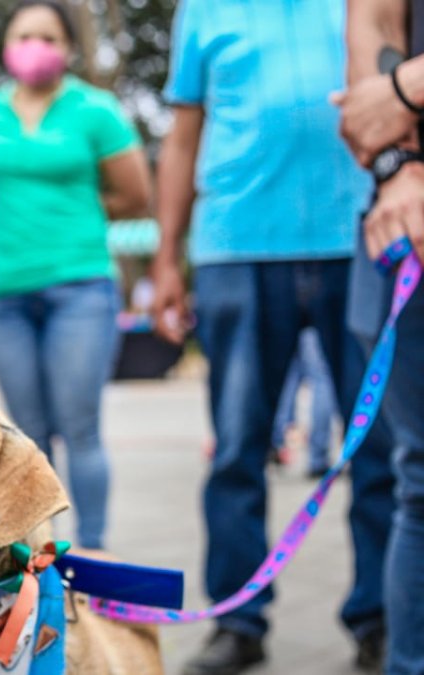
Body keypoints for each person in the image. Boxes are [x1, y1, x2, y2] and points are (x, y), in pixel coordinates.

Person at [152, 1, 396, 672]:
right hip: (238, 244)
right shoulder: (202, 11)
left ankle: (382, 616)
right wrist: (167, 256)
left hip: (362, 237)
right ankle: (238, 621)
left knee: (382, 447)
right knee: (236, 448)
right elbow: (182, 138)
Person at [0, 0, 150, 551]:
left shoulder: (96, 109)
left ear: (66, 48)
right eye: (23, 35)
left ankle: (92, 551)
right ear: (7, 45)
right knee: (26, 435)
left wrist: (72, 222)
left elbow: (136, 194)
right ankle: (39, 552)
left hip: (81, 286)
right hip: (4, 294)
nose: (34, 45)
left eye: (47, 36)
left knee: (80, 427)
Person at [337, 1, 424, 672]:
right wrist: (399, 164)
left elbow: (381, 92)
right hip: (404, 215)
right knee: (417, 479)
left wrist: (406, 87)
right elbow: (371, 29)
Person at [271, 328, 337, 478]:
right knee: (321, 378)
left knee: (290, 376)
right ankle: (318, 458)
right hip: (313, 318)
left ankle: (278, 441)